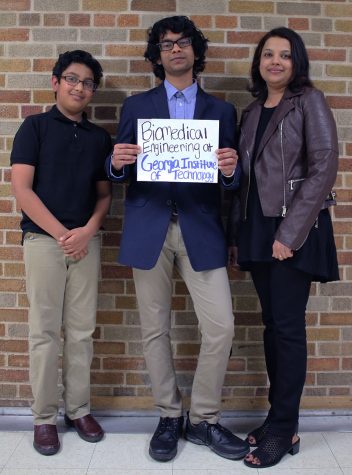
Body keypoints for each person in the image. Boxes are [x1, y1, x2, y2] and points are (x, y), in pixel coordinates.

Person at [106, 15, 249, 462]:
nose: (175, 50)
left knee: (221, 326)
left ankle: (203, 419)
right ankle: (169, 416)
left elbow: (231, 181)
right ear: (157, 55)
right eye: (166, 45)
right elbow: (119, 171)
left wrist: (230, 171)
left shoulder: (222, 111)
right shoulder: (135, 106)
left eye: (183, 43)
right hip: (150, 226)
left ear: (195, 51)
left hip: (201, 227)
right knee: (154, 330)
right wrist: (116, 162)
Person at [227, 27, 339, 468]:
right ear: (259, 61)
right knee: (271, 326)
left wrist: (288, 235)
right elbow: (245, 184)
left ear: (297, 62)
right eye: (268, 54)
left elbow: (324, 165)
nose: (276, 61)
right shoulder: (253, 111)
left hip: (294, 228)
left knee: (288, 328)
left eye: (285, 55)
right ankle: (277, 417)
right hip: (257, 227)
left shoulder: (308, 100)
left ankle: (285, 427)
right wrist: (238, 235)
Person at [10, 50, 112, 456]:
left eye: (87, 83)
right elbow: (22, 189)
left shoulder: (99, 138)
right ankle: (43, 418)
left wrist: (87, 230)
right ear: (56, 82)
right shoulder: (34, 128)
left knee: (82, 332)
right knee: (45, 334)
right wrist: (61, 234)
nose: (79, 88)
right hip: (43, 243)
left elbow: (104, 196)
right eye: (72, 79)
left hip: (87, 243)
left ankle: (79, 409)